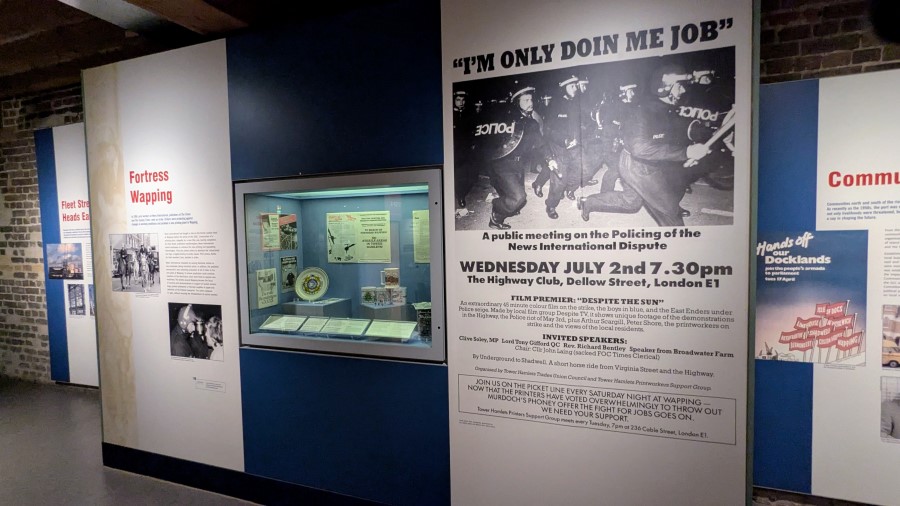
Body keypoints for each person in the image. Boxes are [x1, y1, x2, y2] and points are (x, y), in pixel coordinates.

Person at [580, 63, 710, 226]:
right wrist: (686, 152)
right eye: (679, 87)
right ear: (665, 88)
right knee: (671, 214)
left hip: (650, 160)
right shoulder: (642, 112)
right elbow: (639, 147)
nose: (683, 91)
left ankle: (588, 202)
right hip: (638, 165)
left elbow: (672, 134)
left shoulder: (667, 108)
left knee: (631, 202)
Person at [487, 86, 547, 229]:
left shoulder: (531, 122)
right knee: (519, 198)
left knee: (511, 196)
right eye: (525, 100)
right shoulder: (504, 119)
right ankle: (496, 214)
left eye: (531, 99)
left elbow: (541, 144)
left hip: (519, 165)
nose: (530, 102)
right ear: (516, 103)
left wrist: (550, 159)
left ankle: (506, 205)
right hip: (502, 164)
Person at [538, 75, 582, 219]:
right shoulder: (556, 104)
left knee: (580, 169)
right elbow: (549, 130)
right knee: (559, 178)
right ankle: (551, 205)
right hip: (559, 145)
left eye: (575, 86)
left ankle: (568, 189)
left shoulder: (576, 103)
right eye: (571, 86)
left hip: (574, 144)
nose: (575, 88)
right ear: (564, 88)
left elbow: (581, 123)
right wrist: (563, 140)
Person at [453, 90, 478, 208]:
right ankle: (461, 196)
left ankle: (462, 191)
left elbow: (472, 130)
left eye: (463, 100)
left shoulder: (468, 114)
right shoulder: (449, 115)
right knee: (460, 175)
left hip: (467, 149)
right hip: (455, 150)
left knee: (472, 175)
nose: (461, 102)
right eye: (458, 100)